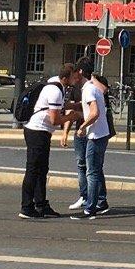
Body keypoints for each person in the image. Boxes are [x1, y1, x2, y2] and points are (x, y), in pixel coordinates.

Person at [20, 62, 79, 219]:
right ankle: (26, 207)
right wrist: (71, 117)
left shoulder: (56, 84)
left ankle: (41, 205)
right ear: (66, 78)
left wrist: (77, 106)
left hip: (42, 132)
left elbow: (60, 106)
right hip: (37, 131)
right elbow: (54, 120)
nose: (76, 79)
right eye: (73, 77)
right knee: (33, 169)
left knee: (42, 169)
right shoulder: (55, 91)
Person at [66, 61, 114, 217]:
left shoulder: (88, 90)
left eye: (73, 73)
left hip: (96, 135)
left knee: (91, 172)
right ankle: (99, 203)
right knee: (95, 170)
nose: (71, 77)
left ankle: (89, 208)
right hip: (100, 133)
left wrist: (82, 127)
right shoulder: (91, 88)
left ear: (79, 73)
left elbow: (94, 113)